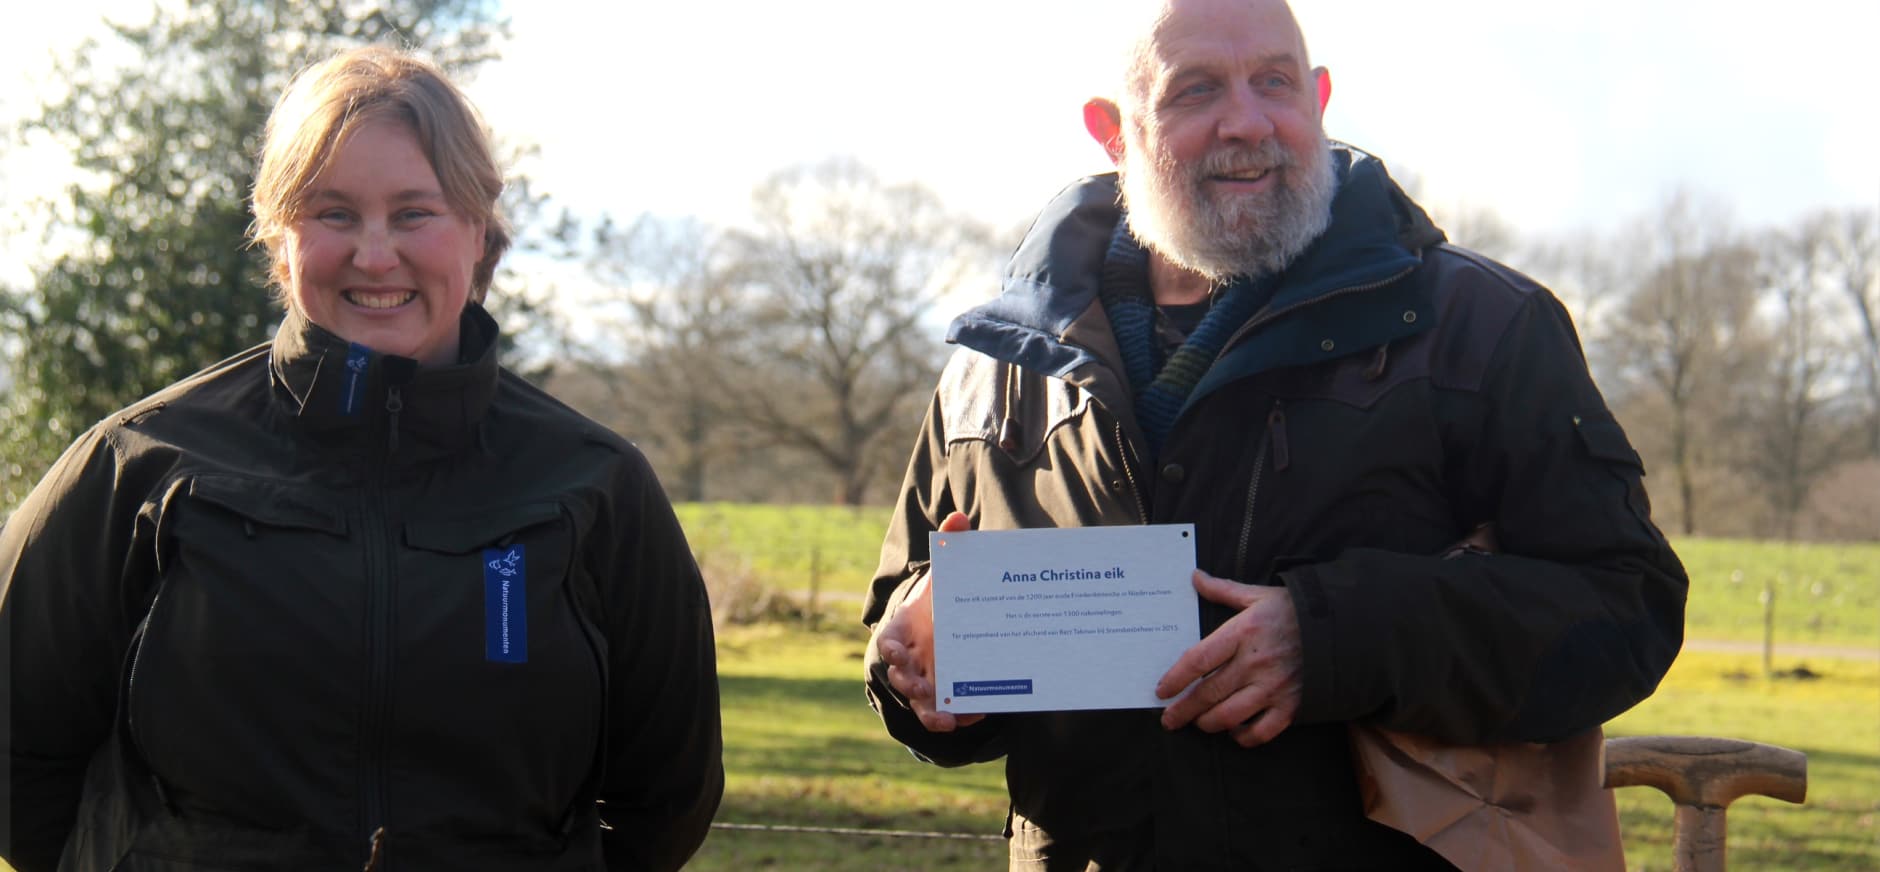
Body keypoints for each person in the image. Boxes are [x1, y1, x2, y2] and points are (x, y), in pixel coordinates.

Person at [862, 0, 1687, 868]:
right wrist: (912, 670)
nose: (1246, 122)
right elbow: (895, 621)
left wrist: (1337, 639)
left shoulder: (1479, 328)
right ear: (1113, 131)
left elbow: (1626, 609)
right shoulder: (1001, 364)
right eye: (1197, 91)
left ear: (1320, 101)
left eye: (1275, 83)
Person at [1, 46, 722, 871]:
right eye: (333, 213)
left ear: (479, 232)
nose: (374, 256)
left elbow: (667, 796)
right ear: (279, 239)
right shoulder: (139, 464)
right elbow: (15, 754)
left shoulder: (596, 485)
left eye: (415, 212)